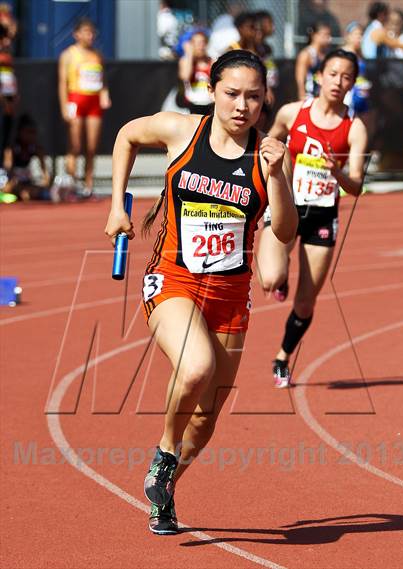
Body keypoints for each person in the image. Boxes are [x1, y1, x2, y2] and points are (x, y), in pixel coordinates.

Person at [105, 50, 297, 534]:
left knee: (207, 420)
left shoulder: (270, 154)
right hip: (172, 279)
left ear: (265, 100)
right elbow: (127, 134)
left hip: (230, 297)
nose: (242, 106)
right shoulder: (180, 131)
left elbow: (287, 231)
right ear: (211, 90)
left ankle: (163, 491)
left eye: (254, 96)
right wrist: (116, 205)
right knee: (196, 367)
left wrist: (276, 177)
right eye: (232, 94)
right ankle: (164, 454)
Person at [258, 49, 368, 388]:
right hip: (286, 204)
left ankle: (282, 357)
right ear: (320, 75)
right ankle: (282, 276)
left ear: (352, 82)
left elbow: (357, 185)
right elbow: (267, 141)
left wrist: (338, 173)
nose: (338, 81)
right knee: (270, 278)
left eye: (346, 76)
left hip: (322, 214)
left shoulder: (354, 128)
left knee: (306, 301)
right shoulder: (293, 113)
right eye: (333, 73)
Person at [58, 18, 111, 196]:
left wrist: (105, 94)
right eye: (86, 32)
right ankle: (72, 182)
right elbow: (62, 82)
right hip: (76, 100)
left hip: (93, 102)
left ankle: (88, 184)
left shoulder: (97, 55)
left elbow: (102, 79)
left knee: (91, 146)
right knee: (75, 144)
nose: (90, 36)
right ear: (76, 34)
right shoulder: (68, 55)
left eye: (92, 32)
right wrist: (65, 106)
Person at [2, 114, 50, 201]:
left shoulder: (36, 148)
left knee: (36, 192)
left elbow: (45, 173)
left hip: (26, 183)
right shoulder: (12, 149)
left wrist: (46, 181)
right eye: (29, 132)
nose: (32, 136)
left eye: (34, 132)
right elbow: (8, 171)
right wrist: (13, 184)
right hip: (11, 183)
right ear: (20, 132)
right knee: (11, 189)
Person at [177, 30, 213, 115]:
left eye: (202, 42)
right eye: (196, 43)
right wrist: (189, 54)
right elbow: (185, 76)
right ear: (191, 44)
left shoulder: (212, 62)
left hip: (209, 105)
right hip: (191, 106)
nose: (200, 46)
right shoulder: (185, 61)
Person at [295, 23, 332, 100]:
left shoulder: (326, 55)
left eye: (329, 35)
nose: (329, 38)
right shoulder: (306, 54)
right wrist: (302, 95)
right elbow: (300, 79)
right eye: (325, 34)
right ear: (314, 35)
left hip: (322, 97)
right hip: (310, 97)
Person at [342, 22, 372, 116]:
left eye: (361, 35)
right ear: (348, 36)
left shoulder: (360, 54)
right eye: (357, 35)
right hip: (350, 94)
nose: (360, 38)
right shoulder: (343, 53)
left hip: (361, 94)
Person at [0, 21, 17, 169]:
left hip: (7, 105)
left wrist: (12, 99)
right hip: (3, 104)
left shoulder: (7, 56)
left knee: (6, 139)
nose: (7, 41)